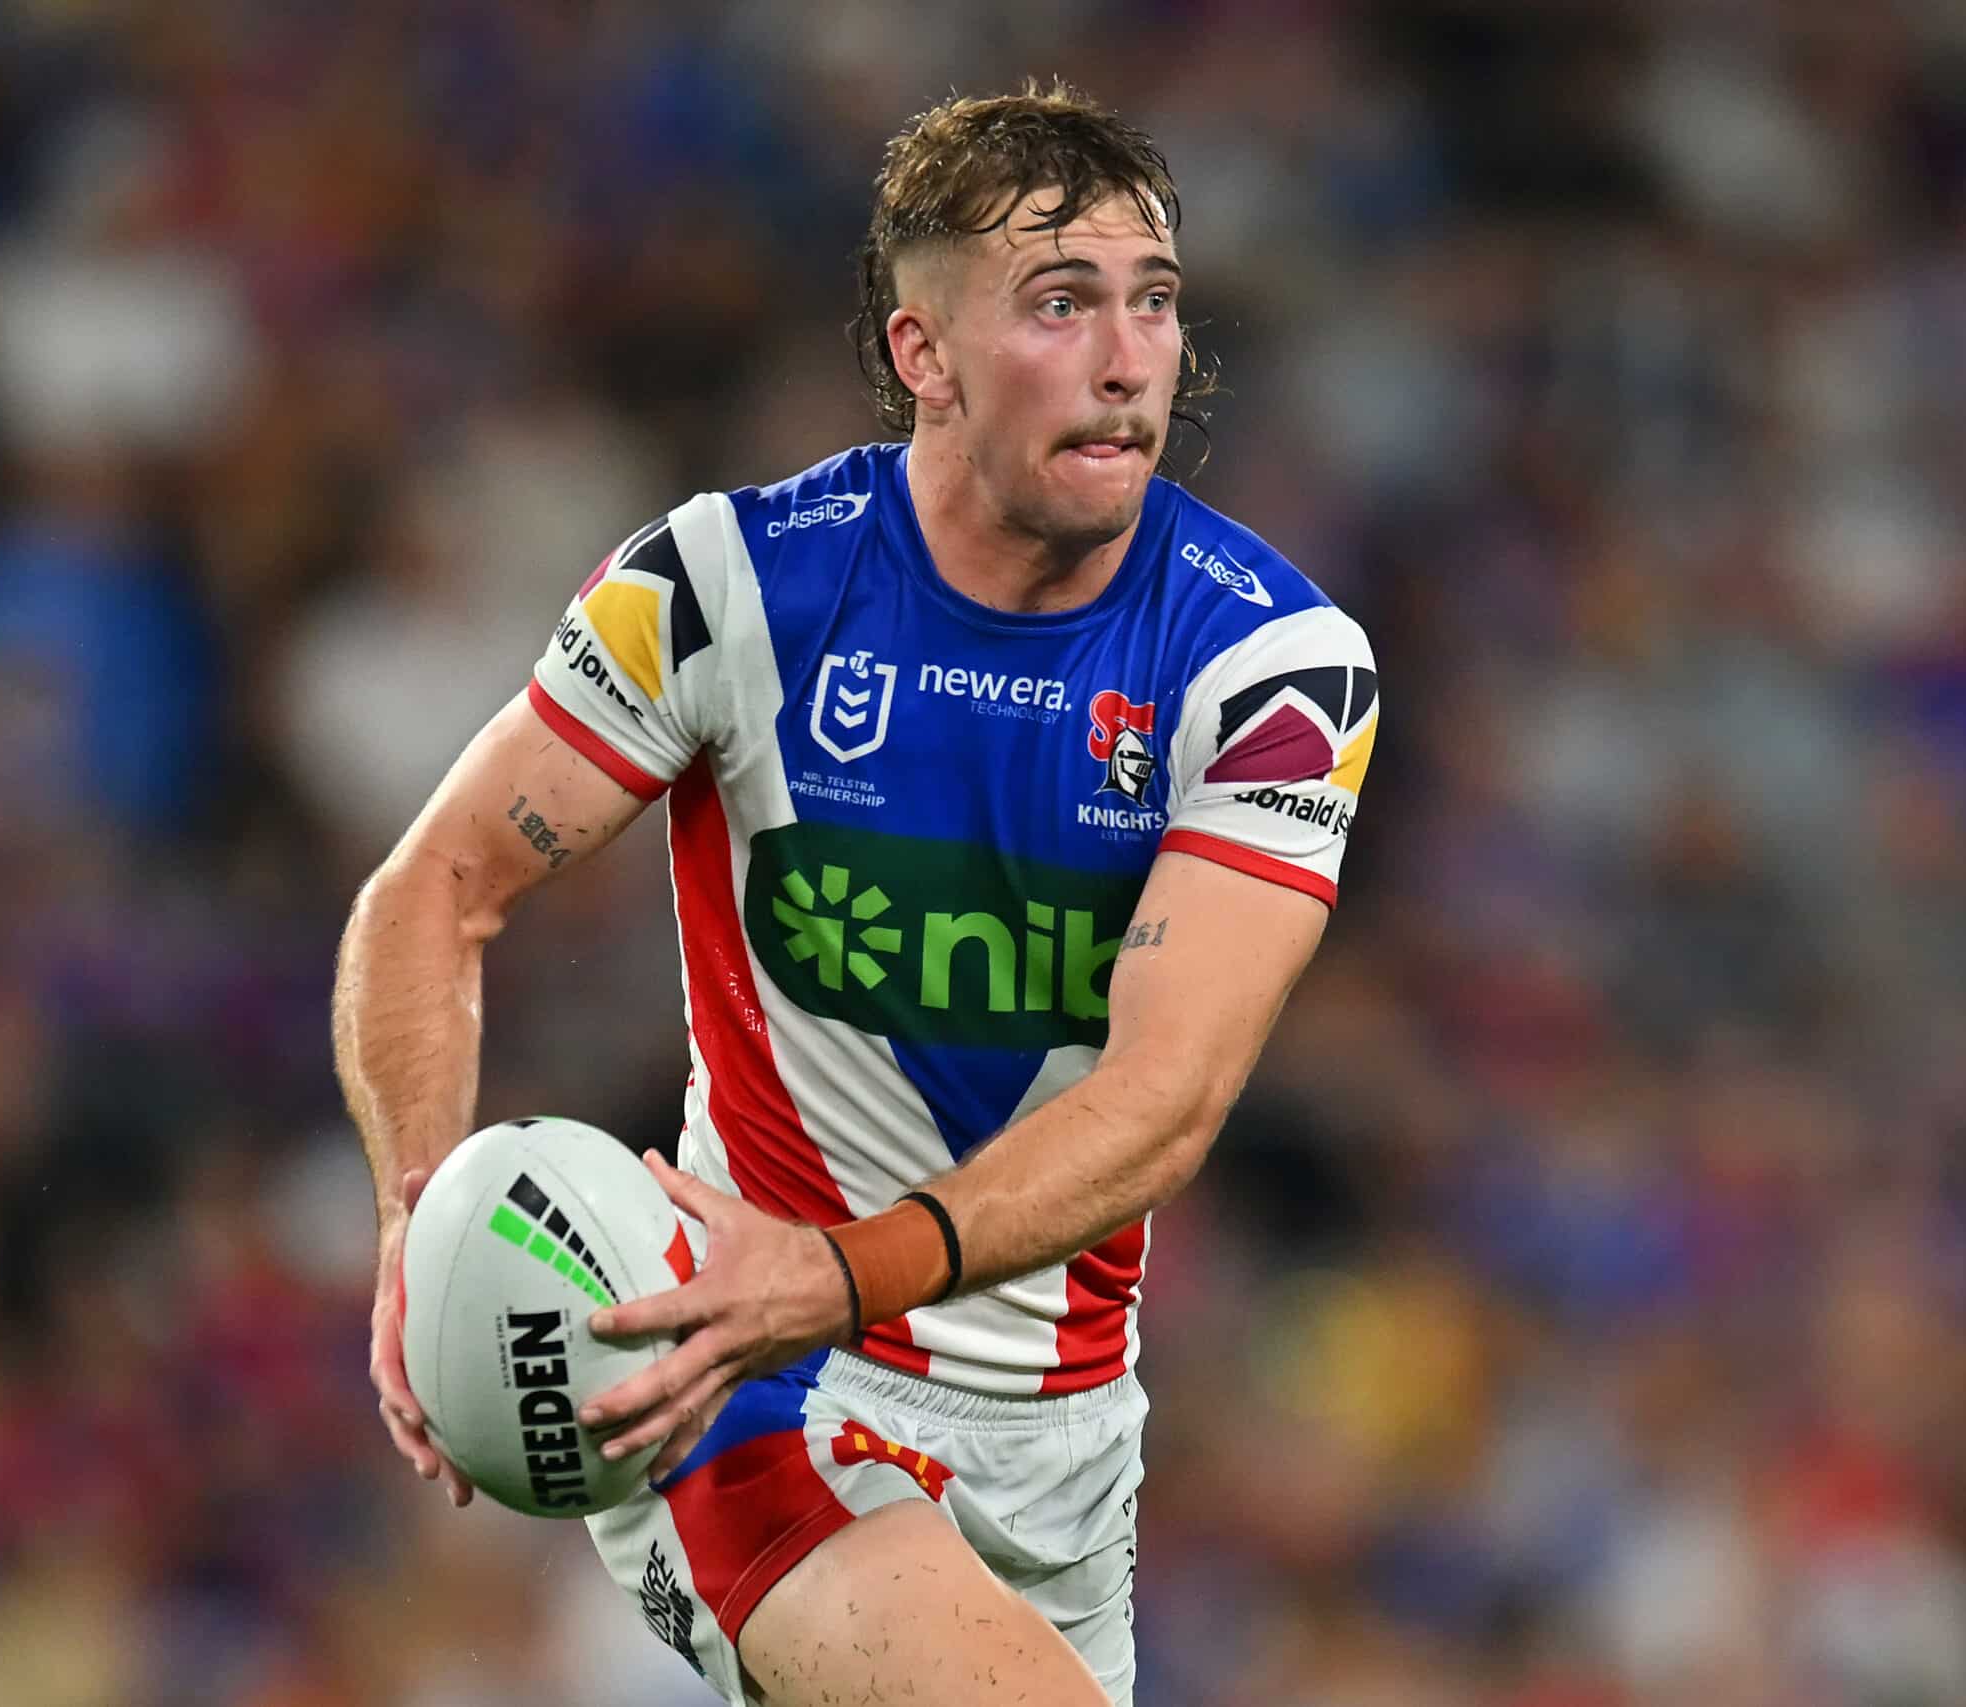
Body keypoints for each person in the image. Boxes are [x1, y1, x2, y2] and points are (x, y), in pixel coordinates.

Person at [333, 80, 1378, 1707]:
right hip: (754, 1384)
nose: (1127, 358)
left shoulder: (1273, 668)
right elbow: (434, 890)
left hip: (1063, 1449)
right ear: (923, 355)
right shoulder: (725, 589)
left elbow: (1167, 1102)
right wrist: (414, 1222)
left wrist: (843, 1261)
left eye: (1152, 303)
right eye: (1059, 304)